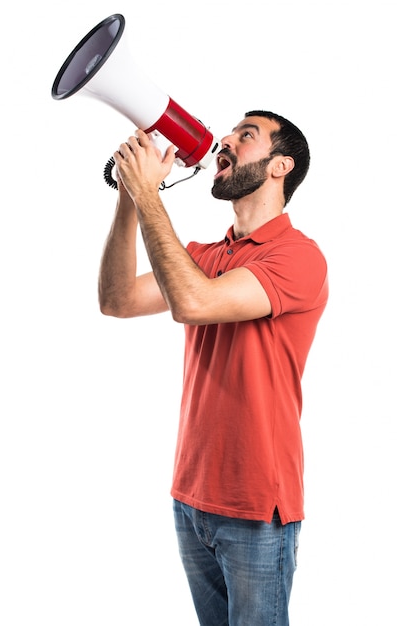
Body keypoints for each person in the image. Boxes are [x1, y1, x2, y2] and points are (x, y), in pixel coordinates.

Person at [98, 110, 329, 626]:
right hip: (191, 495)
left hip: (254, 505)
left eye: (246, 136)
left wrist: (151, 196)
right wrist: (128, 197)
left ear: (280, 166)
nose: (224, 139)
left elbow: (194, 304)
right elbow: (116, 299)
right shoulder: (204, 256)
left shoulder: (298, 258)